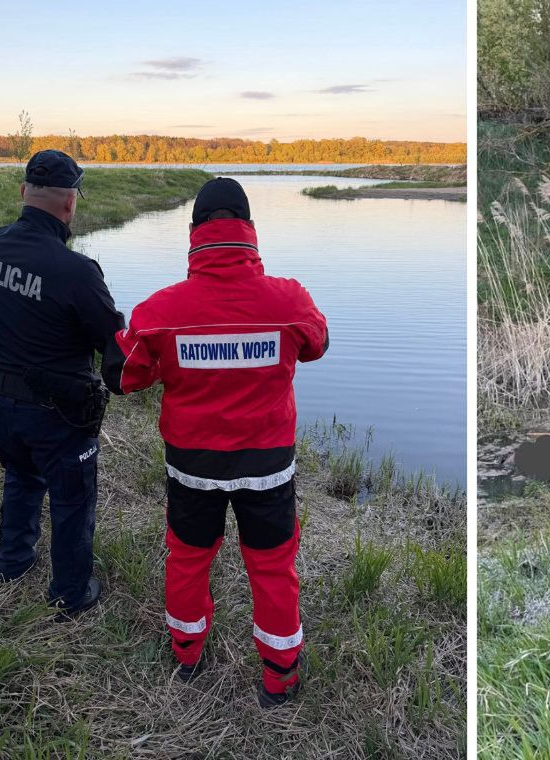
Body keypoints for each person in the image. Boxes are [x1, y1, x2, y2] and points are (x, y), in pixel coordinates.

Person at [113, 178, 329, 707]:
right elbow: (316, 344)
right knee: (274, 567)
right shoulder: (290, 299)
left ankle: (187, 658)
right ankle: (279, 681)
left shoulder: (161, 312)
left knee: (188, 559)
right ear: (250, 231)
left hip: (193, 467)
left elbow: (127, 377)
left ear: (193, 235)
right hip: (268, 467)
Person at [0, 149, 125, 617]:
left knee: (20, 476)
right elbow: (114, 342)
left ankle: (12, 562)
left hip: (3, 401)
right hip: (60, 414)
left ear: (24, 193)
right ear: (70, 204)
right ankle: (71, 592)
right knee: (72, 501)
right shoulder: (77, 271)